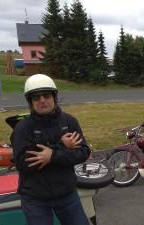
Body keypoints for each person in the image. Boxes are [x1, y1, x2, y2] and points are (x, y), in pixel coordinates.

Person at [11, 74, 91, 225]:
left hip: (67, 194)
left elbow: (83, 152)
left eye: (46, 95)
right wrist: (61, 146)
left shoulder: (69, 121)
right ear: (30, 101)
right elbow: (22, 163)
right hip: (35, 199)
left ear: (54, 96)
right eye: (36, 97)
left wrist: (52, 155)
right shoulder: (23, 128)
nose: (42, 100)